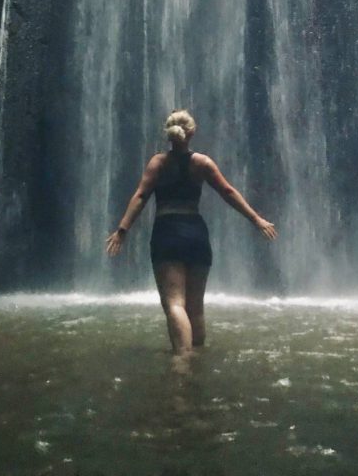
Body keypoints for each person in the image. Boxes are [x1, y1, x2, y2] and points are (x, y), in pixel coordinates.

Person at [105, 109, 277, 355]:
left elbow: (141, 196)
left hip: (167, 232)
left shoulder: (158, 163)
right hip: (196, 234)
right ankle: (197, 361)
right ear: (192, 132)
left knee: (175, 302)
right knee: (196, 307)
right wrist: (256, 219)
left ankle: (182, 361)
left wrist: (122, 230)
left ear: (168, 133)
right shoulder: (202, 163)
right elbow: (228, 192)